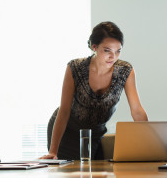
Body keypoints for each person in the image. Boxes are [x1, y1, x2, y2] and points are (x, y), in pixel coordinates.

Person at [39, 21, 148, 160]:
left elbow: (137, 110)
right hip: (68, 132)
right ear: (94, 47)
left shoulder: (125, 71)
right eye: (107, 50)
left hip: (95, 134)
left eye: (118, 51)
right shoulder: (75, 68)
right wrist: (53, 151)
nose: (113, 56)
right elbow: (64, 110)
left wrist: (153, 147)